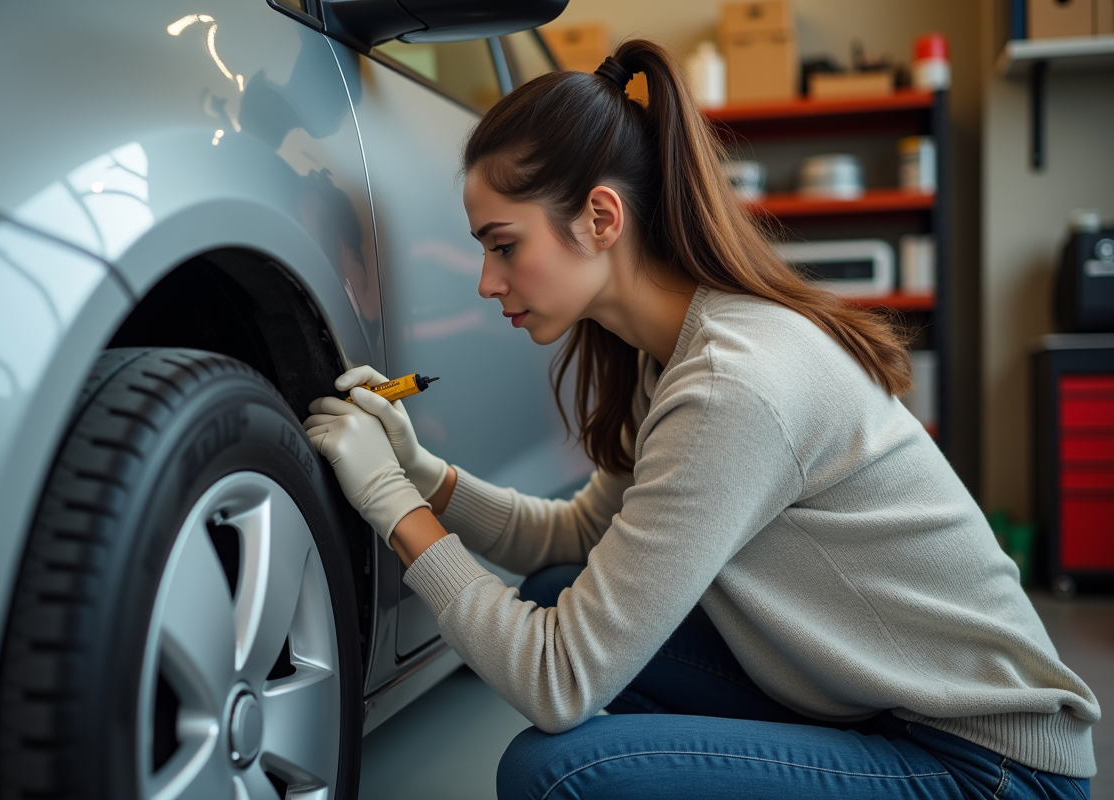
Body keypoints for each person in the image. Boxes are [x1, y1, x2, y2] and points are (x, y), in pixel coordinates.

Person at [304, 39, 1098, 800]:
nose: (486, 280)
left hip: (990, 767)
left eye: (503, 246)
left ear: (602, 218)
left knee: (555, 775)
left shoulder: (731, 384)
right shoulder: (666, 353)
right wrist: (424, 477)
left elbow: (559, 682)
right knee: (555, 588)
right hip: (887, 704)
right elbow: (579, 538)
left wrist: (391, 507)